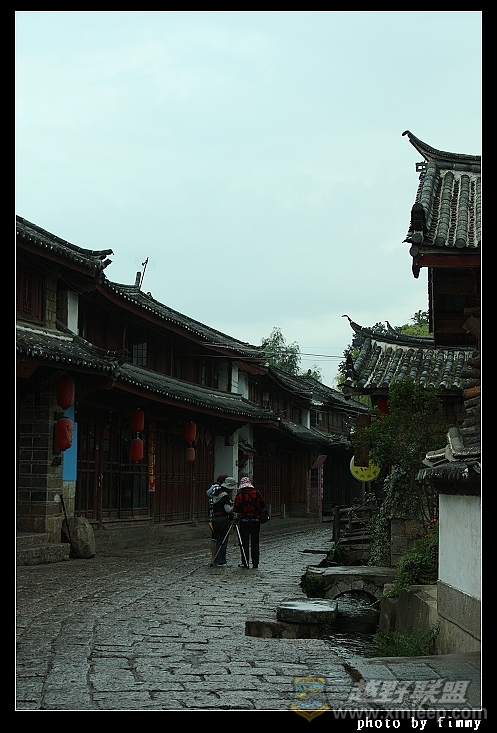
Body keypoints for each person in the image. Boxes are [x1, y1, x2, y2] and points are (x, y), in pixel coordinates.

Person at [233, 476, 266, 569]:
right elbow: (263, 504)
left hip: (244, 521)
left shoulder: (239, 496)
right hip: (256, 520)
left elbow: (236, 509)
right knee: (255, 542)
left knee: (244, 542)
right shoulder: (257, 493)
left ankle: (245, 562)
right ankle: (255, 563)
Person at [206, 476, 237, 566]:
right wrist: (234, 506)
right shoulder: (225, 496)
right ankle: (220, 559)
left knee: (216, 539)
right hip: (223, 519)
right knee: (223, 540)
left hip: (215, 518)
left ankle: (215, 558)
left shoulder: (216, 494)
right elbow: (227, 510)